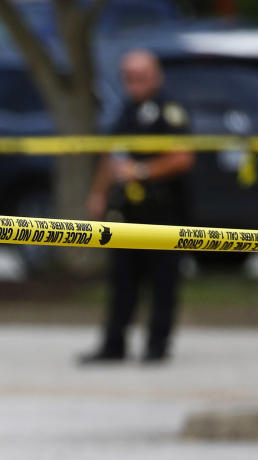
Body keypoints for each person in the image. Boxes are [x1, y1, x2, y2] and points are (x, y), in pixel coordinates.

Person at [82, 49, 194, 365]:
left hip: (163, 214)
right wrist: (98, 193)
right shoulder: (125, 112)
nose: (135, 83)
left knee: (163, 283)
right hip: (128, 214)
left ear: (156, 75)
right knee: (121, 281)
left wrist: (142, 171)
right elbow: (111, 155)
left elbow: (183, 157)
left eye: (141, 76)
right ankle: (113, 345)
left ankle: (156, 347)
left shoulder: (170, 112)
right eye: (128, 77)